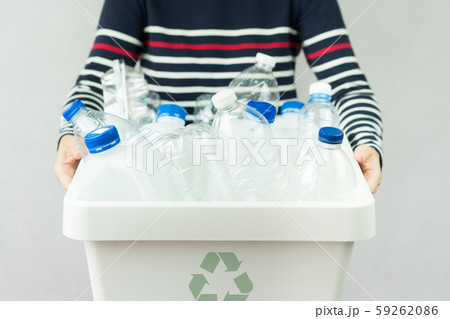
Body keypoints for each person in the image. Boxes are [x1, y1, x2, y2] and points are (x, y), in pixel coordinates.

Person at [54, 0, 383, 193]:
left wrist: (365, 144)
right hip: (170, 178)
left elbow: (347, 84)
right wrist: (72, 135)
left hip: (267, 178)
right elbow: (95, 81)